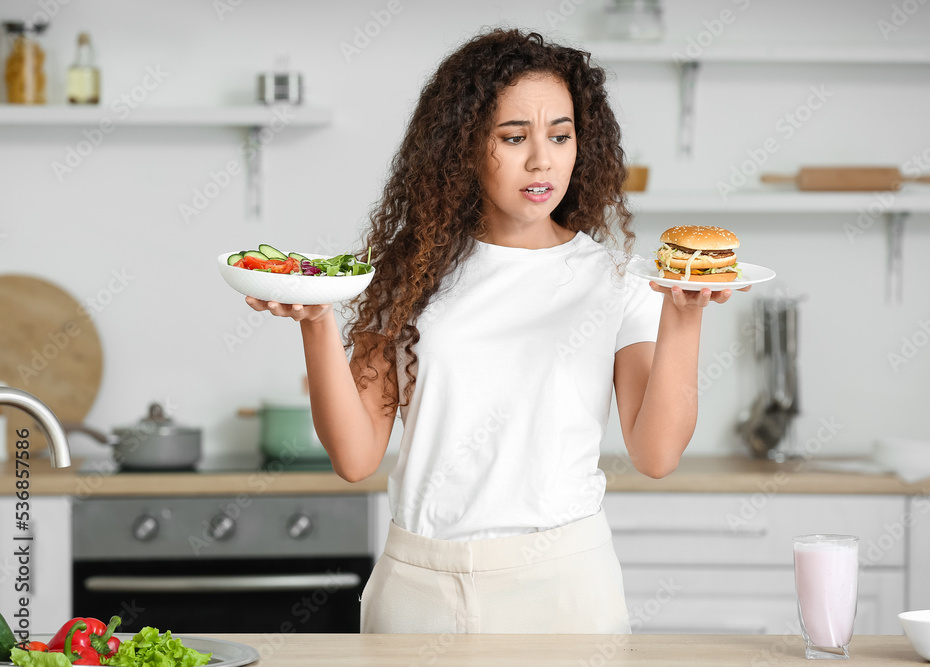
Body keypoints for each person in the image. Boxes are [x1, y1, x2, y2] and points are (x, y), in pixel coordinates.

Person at [246, 28, 745, 634]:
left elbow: (656, 454)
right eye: (514, 138)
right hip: (418, 588)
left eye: (560, 136)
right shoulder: (409, 274)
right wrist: (317, 319)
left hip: (565, 590)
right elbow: (355, 458)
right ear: (462, 147)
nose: (542, 160)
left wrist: (685, 313)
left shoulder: (616, 281)